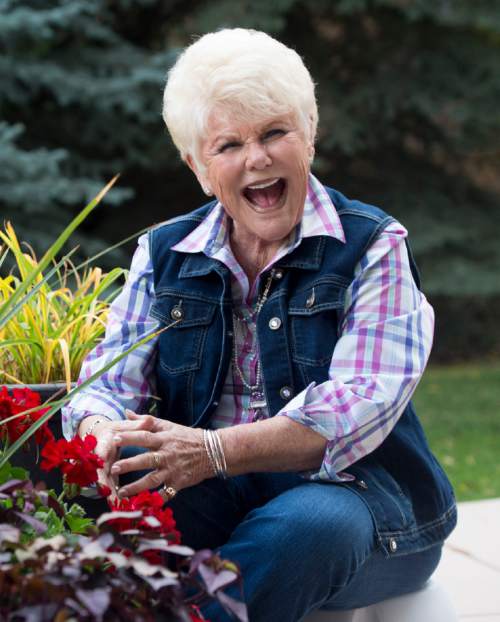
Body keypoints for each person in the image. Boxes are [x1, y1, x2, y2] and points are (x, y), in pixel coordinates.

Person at [62, 28, 456, 622]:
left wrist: (215, 450)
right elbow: (104, 383)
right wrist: (103, 432)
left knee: (311, 528)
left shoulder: (373, 245)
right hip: (208, 494)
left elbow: (354, 408)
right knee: (94, 477)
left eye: (275, 132)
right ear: (198, 167)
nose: (257, 157)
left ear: (310, 138)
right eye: (229, 145)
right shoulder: (164, 251)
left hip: (359, 506)